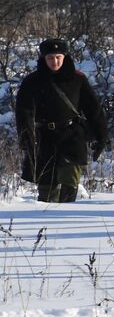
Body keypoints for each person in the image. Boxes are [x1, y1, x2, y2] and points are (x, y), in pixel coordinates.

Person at [14, 38, 108, 203]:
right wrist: (27, 140)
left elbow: (94, 110)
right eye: (50, 58)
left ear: (65, 57)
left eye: (58, 57)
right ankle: (46, 224)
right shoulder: (32, 81)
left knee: (69, 186)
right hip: (44, 139)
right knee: (46, 190)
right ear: (44, 58)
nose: (54, 61)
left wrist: (101, 137)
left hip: (72, 137)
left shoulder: (78, 79)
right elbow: (24, 113)